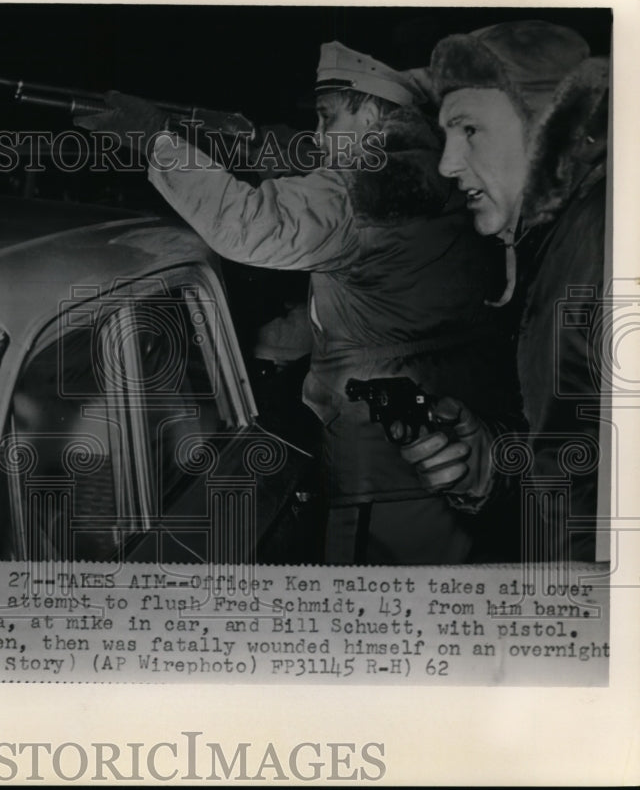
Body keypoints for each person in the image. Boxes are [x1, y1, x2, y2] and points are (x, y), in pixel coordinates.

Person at [77, 42, 517, 564]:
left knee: (367, 582)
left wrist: (158, 141)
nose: (319, 135)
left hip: (384, 434)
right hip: (438, 403)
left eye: (329, 118)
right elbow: (315, 179)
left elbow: (251, 226)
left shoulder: (369, 188)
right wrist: (257, 145)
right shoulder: (428, 169)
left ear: (374, 112)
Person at [398, 21, 606, 563]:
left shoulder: (600, 242)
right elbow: (585, 459)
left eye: (468, 130)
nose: (447, 163)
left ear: (547, 128)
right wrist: (489, 462)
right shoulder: (566, 244)